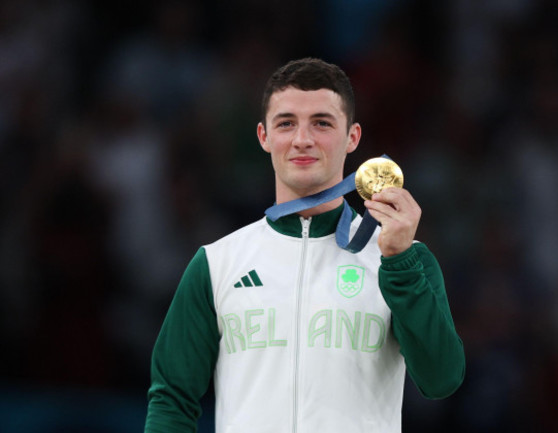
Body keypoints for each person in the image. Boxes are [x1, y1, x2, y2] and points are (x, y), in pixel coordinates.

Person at [144, 57, 465, 433]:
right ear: (264, 136)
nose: (302, 139)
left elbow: (441, 380)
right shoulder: (217, 264)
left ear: (353, 137)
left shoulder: (401, 257)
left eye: (322, 123)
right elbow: (171, 400)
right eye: (286, 124)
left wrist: (399, 262)